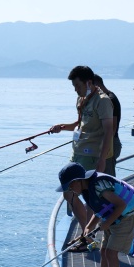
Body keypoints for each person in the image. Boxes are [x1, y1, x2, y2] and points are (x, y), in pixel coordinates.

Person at [57, 162, 134, 267]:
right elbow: (100, 208)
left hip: (125, 218)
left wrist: (107, 223)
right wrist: (88, 227)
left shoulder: (99, 186)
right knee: (104, 252)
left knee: (111, 253)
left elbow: (121, 205)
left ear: (78, 181)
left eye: (70, 186)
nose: (70, 189)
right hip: (113, 217)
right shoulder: (86, 189)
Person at [49, 66, 115, 233]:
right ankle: (87, 233)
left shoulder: (103, 100)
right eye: (74, 87)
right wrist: (62, 127)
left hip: (92, 154)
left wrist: (102, 158)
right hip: (77, 152)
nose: (76, 90)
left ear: (89, 82)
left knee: (88, 194)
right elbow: (80, 124)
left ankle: (86, 235)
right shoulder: (81, 99)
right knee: (68, 193)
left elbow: (109, 130)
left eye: (78, 86)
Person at [93, 74, 122, 176]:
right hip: (109, 143)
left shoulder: (109, 99)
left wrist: (104, 154)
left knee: (108, 176)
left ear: (96, 85)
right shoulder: (106, 98)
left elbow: (112, 129)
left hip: (111, 143)